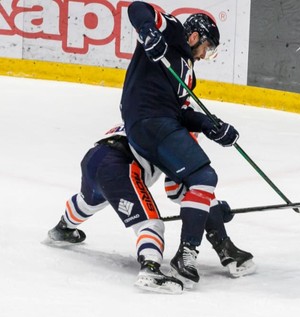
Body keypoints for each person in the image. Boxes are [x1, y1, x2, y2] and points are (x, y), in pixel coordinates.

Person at [47, 124, 256, 294]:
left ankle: (63, 228)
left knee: (88, 201)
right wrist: (212, 211)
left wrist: (211, 210)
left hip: (95, 157)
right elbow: (177, 190)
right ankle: (150, 269)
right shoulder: (175, 136)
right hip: (121, 166)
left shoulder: (147, 118)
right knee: (150, 223)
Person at [120, 2, 240, 287]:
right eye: (207, 47)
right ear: (195, 36)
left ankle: (220, 241)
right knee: (204, 176)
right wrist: (148, 31)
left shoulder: (188, 74)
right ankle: (186, 254)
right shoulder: (172, 32)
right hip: (148, 120)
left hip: (161, 126)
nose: (205, 54)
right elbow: (138, 7)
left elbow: (182, 113)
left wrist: (210, 125)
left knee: (196, 184)